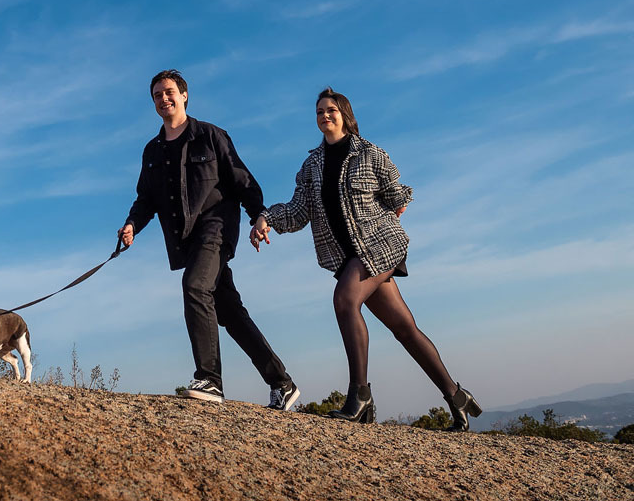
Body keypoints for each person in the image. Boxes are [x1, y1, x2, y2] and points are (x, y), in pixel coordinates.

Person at [251, 88, 482, 430]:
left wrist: (395, 208)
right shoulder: (311, 165)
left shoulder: (369, 153)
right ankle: (455, 395)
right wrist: (266, 218)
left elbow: (396, 193)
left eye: (330, 109)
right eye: (319, 112)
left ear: (344, 114)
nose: (324, 115)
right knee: (405, 329)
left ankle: (360, 395)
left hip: (381, 246)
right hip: (348, 256)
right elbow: (299, 212)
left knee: (345, 301)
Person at [119, 69, 299, 409]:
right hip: (185, 241)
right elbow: (146, 199)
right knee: (229, 311)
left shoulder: (211, 136)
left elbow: (242, 180)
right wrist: (132, 225)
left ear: (184, 95)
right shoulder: (153, 151)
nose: (163, 99)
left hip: (216, 229)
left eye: (169, 91)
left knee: (195, 287)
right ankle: (281, 382)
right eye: (157, 95)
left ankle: (209, 380)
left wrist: (259, 215)